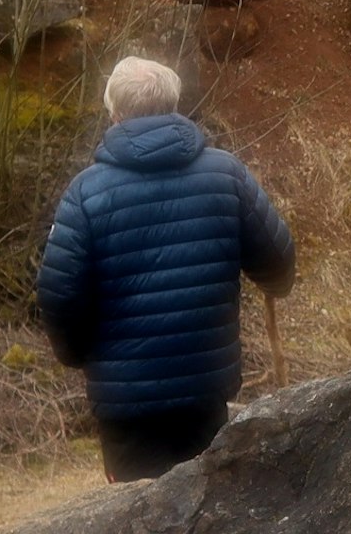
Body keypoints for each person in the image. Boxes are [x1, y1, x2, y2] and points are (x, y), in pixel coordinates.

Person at [36, 56, 296, 482]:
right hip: (205, 391)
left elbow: (58, 294)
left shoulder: (86, 192)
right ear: (175, 106)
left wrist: (76, 354)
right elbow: (278, 262)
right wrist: (273, 281)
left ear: (115, 114)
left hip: (125, 401)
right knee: (209, 508)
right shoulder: (226, 173)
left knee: (136, 517)